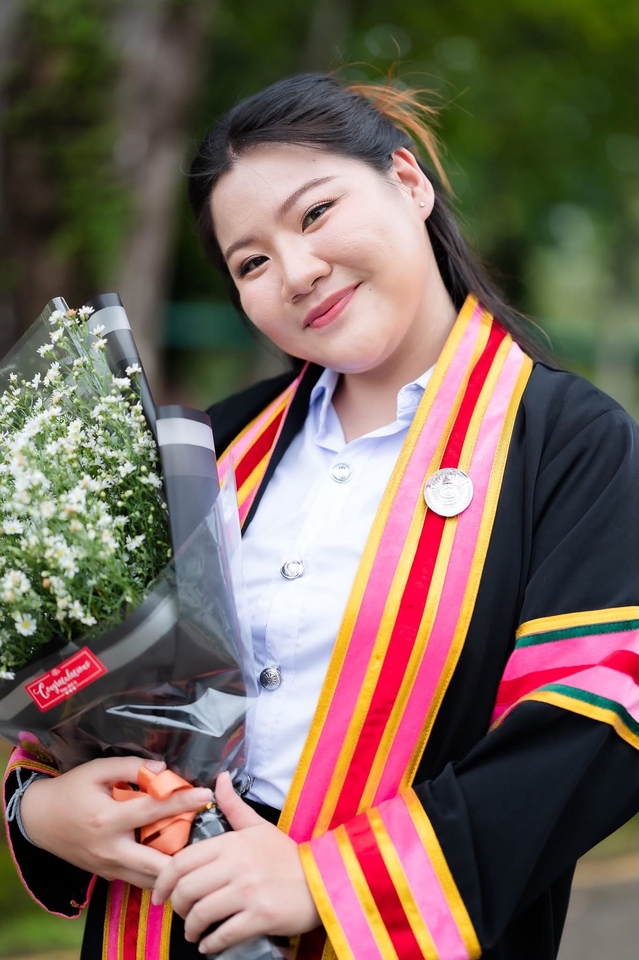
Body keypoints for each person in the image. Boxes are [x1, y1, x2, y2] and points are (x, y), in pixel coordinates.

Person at [4, 73, 638, 960]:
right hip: (160, 925)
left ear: (409, 183)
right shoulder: (206, 453)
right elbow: (77, 690)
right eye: (251, 263)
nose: (296, 273)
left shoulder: (566, 446)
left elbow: (592, 723)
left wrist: (326, 881)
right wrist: (39, 810)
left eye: (315, 214)